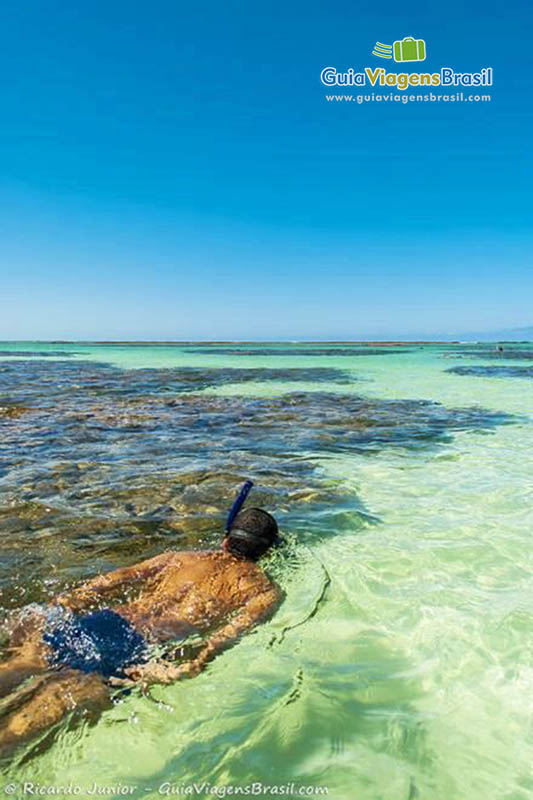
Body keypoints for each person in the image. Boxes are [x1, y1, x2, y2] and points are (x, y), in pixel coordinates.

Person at [0, 491, 282, 754]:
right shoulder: (263, 591)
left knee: (19, 666)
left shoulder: (180, 558)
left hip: (102, 621)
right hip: (135, 648)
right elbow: (224, 637)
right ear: (268, 554)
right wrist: (190, 663)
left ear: (225, 540)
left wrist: (69, 600)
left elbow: (115, 579)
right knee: (28, 721)